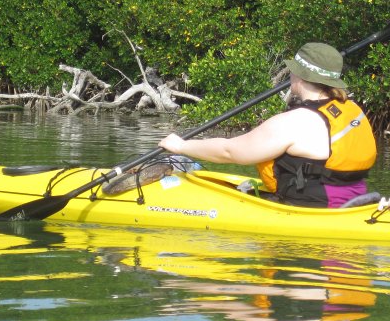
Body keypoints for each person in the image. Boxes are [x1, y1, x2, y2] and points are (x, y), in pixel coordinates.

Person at [158, 42, 377, 208]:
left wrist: (181, 146)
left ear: (297, 75)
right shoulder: (351, 110)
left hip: (314, 209)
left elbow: (230, 152)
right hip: (356, 200)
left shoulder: (296, 121)